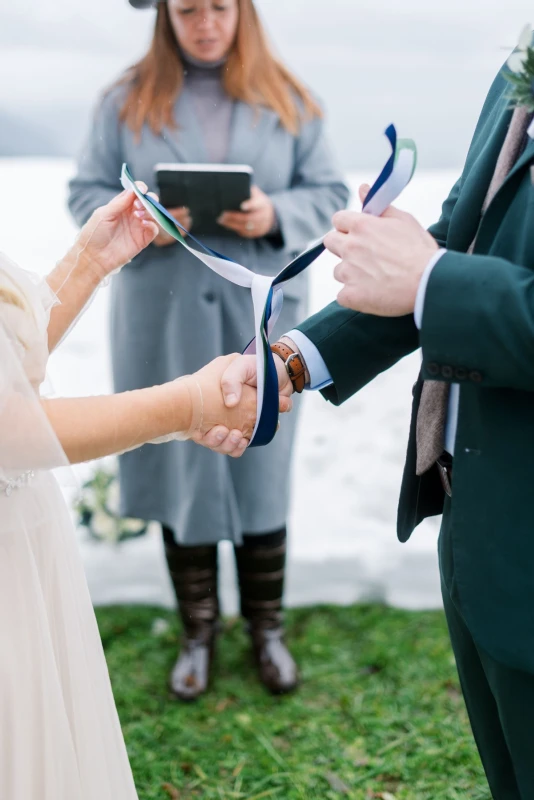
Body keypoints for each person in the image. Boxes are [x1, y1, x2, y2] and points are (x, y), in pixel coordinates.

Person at [218, 56, 534, 798]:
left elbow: (441, 272)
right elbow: (464, 232)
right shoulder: (519, 65)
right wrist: (293, 358)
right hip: (483, 537)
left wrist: (428, 281)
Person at [68, 0, 349, 700]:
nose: (204, 23)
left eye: (219, 6)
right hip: (161, 318)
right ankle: (197, 630)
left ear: (243, 10)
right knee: (179, 466)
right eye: (187, 9)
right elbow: (84, 196)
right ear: (164, 15)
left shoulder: (292, 100)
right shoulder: (123, 101)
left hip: (260, 322)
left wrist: (276, 213)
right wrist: (144, 222)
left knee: (262, 462)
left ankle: (267, 628)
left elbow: (334, 193)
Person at [0, 184, 285, 800]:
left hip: (21, 550)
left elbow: (12, 366)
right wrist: (188, 406)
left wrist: (91, 260)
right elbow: (5, 425)